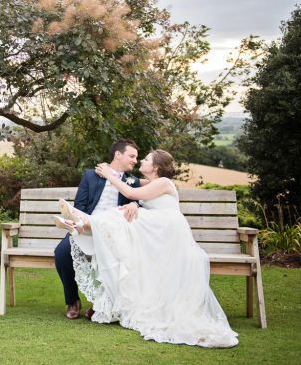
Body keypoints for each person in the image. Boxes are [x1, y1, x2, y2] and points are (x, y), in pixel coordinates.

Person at [56, 149, 239, 348]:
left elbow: (130, 193)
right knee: (120, 215)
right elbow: (135, 190)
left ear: (156, 167)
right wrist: (129, 197)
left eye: (146, 159)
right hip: (156, 227)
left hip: (165, 227)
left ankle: (82, 223)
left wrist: (111, 177)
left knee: (120, 216)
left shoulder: (164, 182)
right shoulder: (152, 182)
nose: (140, 161)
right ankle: (82, 224)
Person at [53, 139, 143, 320]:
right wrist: (77, 221)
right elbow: (80, 205)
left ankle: (100, 304)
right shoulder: (90, 176)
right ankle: (72, 300)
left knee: (113, 257)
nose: (135, 160)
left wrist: (134, 203)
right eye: (131, 156)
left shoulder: (132, 182)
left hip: (111, 232)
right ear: (118, 154)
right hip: (86, 226)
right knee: (61, 253)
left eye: (136, 157)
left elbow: (140, 200)